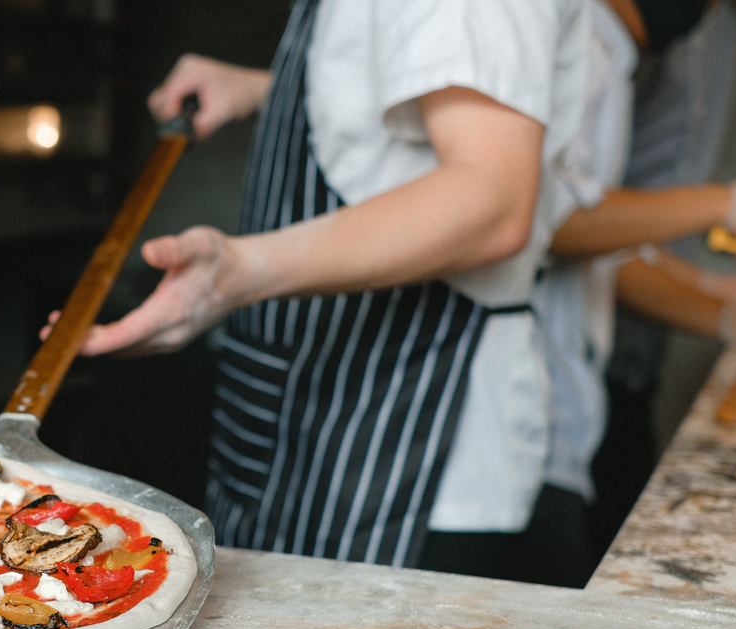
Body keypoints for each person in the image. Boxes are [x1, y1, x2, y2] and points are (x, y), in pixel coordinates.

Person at [47, 0, 590, 574]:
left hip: (402, 439)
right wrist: (272, 89)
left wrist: (233, 274)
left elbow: (494, 200)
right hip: (307, 411)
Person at [509, 0, 736, 587]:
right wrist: (729, 206)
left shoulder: (617, 53)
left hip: (568, 404)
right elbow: (552, 218)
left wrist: (725, 307)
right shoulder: (586, 42)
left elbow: (609, 232)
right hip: (527, 427)